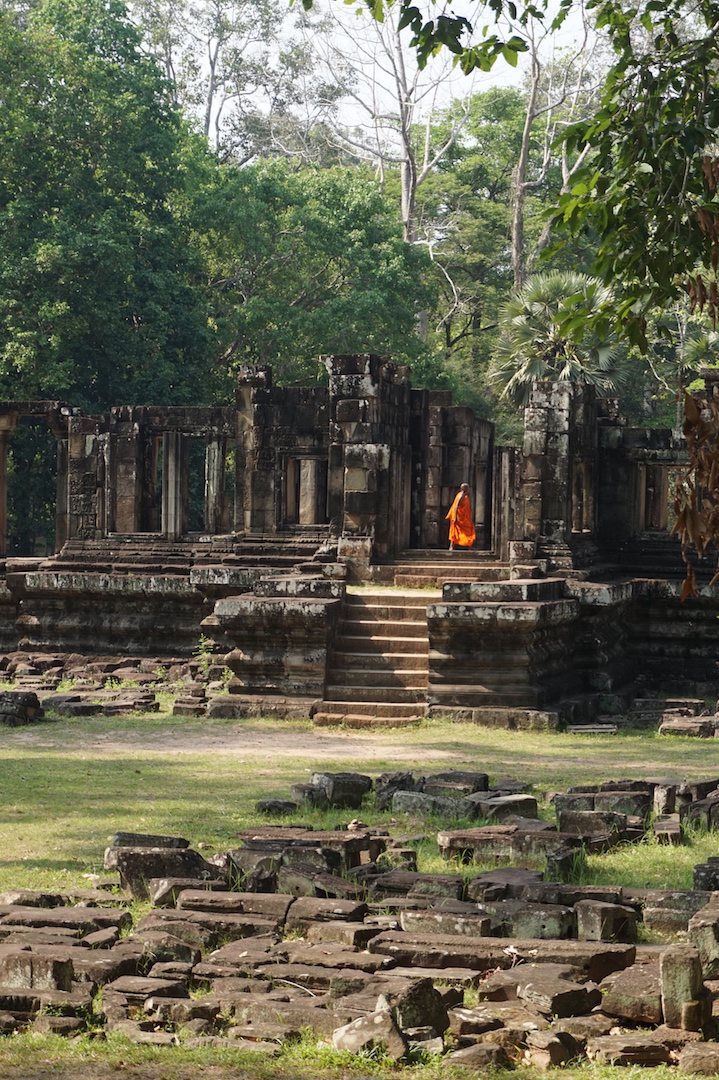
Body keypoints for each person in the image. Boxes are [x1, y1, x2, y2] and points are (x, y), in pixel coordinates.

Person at [446, 483, 476, 551]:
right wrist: (455, 517)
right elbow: (456, 506)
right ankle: (451, 547)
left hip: (464, 517)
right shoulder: (461, 496)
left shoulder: (465, 496)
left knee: (468, 529)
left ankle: (469, 546)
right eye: (468, 488)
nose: (469, 489)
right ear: (464, 489)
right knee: (458, 530)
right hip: (459, 517)